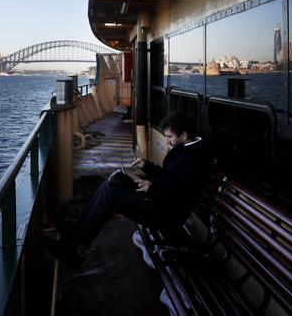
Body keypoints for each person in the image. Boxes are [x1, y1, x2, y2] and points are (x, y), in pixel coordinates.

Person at [45, 111, 211, 267]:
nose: (167, 141)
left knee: (111, 192)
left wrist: (152, 188)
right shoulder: (185, 149)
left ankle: (77, 251)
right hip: (158, 199)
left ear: (184, 135)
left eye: (169, 137)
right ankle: (77, 230)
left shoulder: (193, 160)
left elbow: (179, 196)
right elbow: (168, 178)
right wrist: (147, 166)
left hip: (164, 214)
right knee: (116, 178)